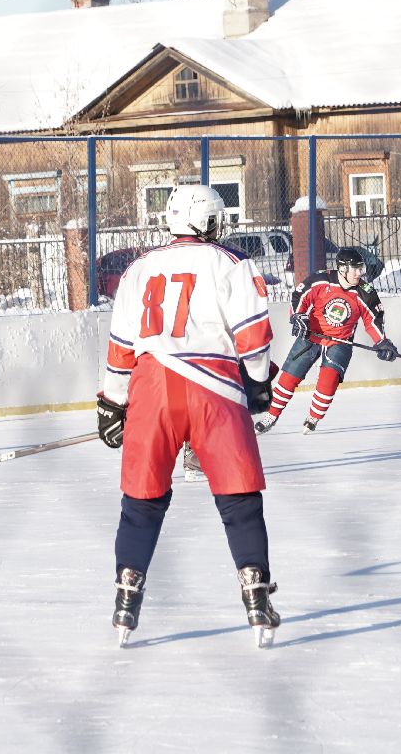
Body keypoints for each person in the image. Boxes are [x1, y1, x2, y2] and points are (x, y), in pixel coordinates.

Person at [95, 183, 282, 647]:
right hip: (213, 390)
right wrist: (257, 381)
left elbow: (120, 347)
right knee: (238, 500)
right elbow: (254, 339)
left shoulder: (138, 269)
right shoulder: (232, 263)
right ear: (209, 222)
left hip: (152, 385)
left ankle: (126, 597)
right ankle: (256, 596)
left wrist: (113, 402)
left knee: (141, 501)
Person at [256, 246, 396, 435]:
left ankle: (314, 417)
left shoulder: (365, 292)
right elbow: (300, 296)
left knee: (328, 382)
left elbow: (373, 320)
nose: (359, 273)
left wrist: (382, 342)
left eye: (360, 268)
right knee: (289, 377)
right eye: (355, 268)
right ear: (342, 269)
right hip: (312, 334)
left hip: (341, 341)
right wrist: (298, 316)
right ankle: (271, 415)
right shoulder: (320, 280)